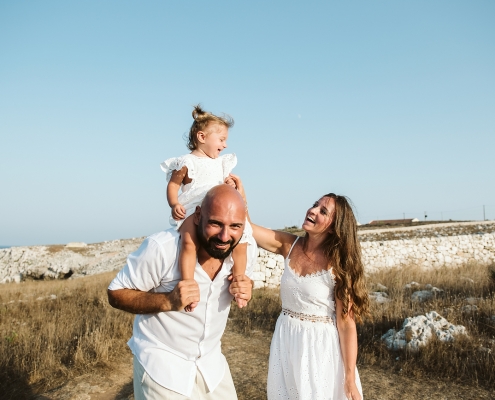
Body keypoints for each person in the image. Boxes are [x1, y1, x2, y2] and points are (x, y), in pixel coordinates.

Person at [107, 184, 255, 399]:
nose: (224, 236)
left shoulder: (243, 252)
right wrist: (168, 301)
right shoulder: (162, 248)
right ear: (197, 215)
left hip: (212, 366)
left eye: (235, 226)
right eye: (215, 223)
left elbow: (246, 282)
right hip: (162, 366)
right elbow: (115, 293)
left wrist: (247, 287)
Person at [230, 175, 369, 400]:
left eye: (323, 211)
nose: (313, 210)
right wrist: (240, 195)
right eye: (315, 205)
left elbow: (346, 325)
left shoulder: (340, 266)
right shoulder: (290, 244)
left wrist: (350, 378)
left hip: (320, 347)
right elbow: (248, 229)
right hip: (286, 338)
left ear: (334, 227)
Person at [160, 105, 252, 311]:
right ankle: (188, 285)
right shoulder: (186, 162)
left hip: (218, 211)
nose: (225, 145)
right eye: (221, 140)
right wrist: (174, 203)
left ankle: (239, 280)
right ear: (202, 137)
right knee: (189, 244)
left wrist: (229, 184)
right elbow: (173, 185)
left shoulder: (221, 164)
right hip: (193, 209)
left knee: (243, 239)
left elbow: (224, 186)